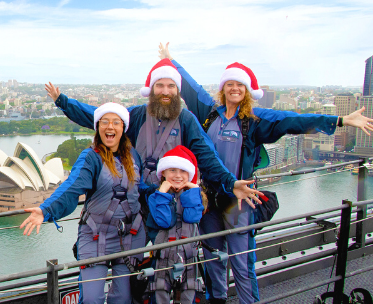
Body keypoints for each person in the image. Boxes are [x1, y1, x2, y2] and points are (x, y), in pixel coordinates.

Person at [158, 42, 373, 304]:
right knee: (213, 258)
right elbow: (191, 88)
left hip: (239, 200)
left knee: (241, 263)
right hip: (209, 199)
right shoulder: (210, 114)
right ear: (223, 88)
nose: (234, 89)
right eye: (230, 84)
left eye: (240, 85)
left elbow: (292, 120)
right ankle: (218, 300)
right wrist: (171, 61)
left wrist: (339, 120)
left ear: (247, 90)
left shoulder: (255, 120)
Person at [45, 60, 261, 221]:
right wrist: (63, 102)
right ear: (151, 90)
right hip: (136, 199)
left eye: (171, 86)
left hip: (172, 199)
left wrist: (230, 182)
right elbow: (101, 117)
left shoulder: (186, 120)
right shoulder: (138, 116)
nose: (165, 92)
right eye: (160, 86)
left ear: (177, 90)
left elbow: (207, 156)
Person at [20, 103, 146, 304]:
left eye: (116, 122)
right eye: (104, 122)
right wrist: (46, 210)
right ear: (97, 127)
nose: (110, 127)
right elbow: (72, 186)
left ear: (123, 128)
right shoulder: (91, 157)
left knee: (123, 298)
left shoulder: (133, 156)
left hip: (128, 237)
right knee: (92, 298)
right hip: (97, 236)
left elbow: (142, 190)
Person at [145, 145, 206, 304]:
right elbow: (164, 221)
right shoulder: (155, 197)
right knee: (160, 292)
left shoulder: (194, 196)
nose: (178, 176)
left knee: (190, 293)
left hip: (189, 257)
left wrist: (193, 192)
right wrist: (163, 194)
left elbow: (192, 217)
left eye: (183, 171)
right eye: (172, 170)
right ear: (163, 173)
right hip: (162, 258)